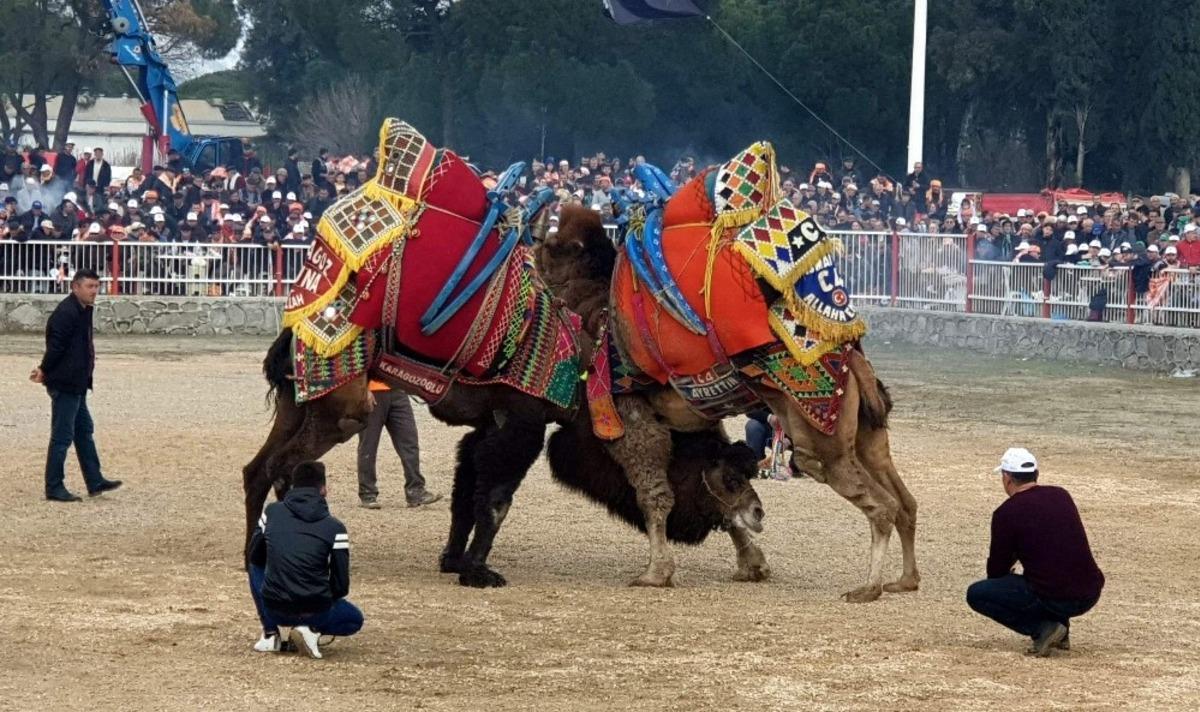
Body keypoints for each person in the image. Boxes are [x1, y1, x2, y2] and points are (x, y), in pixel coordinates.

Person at [966, 448, 1104, 657]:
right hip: (1090, 591)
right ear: (1036, 474)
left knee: (977, 594)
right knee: (1053, 572)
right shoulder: (1061, 495)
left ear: (1007, 478)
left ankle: (1043, 628)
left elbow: (996, 570)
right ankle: (1059, 629)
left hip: (1055, 596)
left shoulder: (1006, 513)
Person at [248, 461, 363, 659]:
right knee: (354, 619)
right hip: (316, 609)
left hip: (275, 609)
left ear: (293, 487)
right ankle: (311, 629)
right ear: (324, 490)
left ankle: (270, 633)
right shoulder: (335, 528)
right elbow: (341, 585)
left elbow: (255, 556)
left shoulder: (272, 512)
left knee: (254, 565)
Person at [29, 269, 122, 501]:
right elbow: (56, 347)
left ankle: (94, 480)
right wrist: (44, 369)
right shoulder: (66, 313)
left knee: (83, 431)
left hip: (77, 382)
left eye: (96, 286)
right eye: (90, 286)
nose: (95, 291)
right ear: (75, 287)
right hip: (65, 383)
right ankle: (54, 486)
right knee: (62, 436)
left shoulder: (83, 310)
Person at [357, 380, 440, 508]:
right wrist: (364, 390)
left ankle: (416, 491)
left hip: (399, 392)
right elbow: (357, 368)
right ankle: (367, 493)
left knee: (410, 442)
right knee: (368, 445)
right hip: (372, 392)